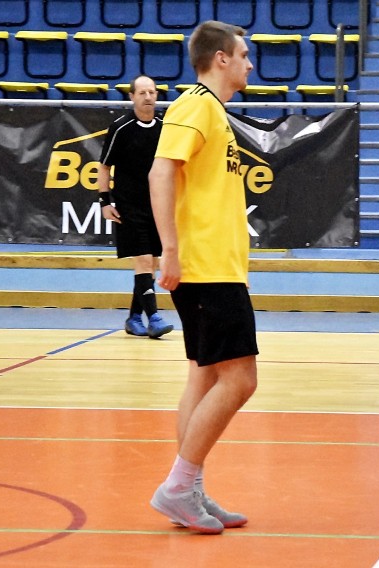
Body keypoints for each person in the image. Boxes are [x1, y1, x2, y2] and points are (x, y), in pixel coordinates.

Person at [147, 20, 257, 534]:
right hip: (205, 268)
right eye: (244, 55)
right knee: (241, 379)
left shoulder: (212, 110)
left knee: (205, 374)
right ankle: (178, 485)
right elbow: (160, 171)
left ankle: (187, 490)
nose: (249, 64)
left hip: (217, 267)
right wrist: (169, 249)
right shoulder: (195, 105)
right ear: (221, 59)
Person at [97, 75, 174, 339]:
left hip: (158, 205)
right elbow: (104, 166)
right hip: (129, 206)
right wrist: (105, 200)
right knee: (142, 260)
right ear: (132, 96)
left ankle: (133, 317)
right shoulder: (120, 127)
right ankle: (154, 317)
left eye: (151, 92)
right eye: (141, 92)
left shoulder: (166, 127)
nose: (147, 97)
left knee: (151, 263)